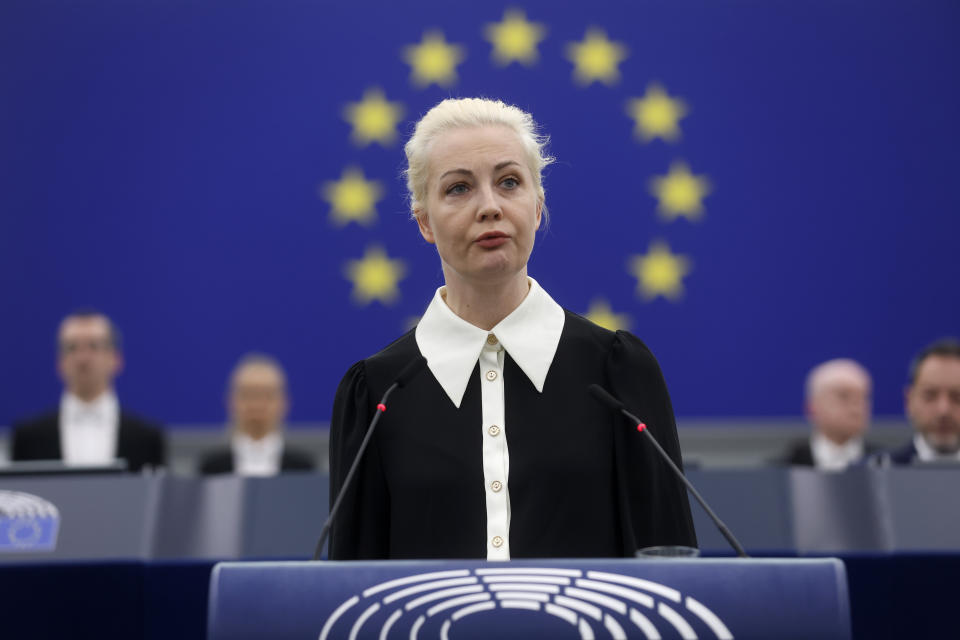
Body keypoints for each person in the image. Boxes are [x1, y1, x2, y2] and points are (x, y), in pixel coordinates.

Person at [328, 98, 696, 560]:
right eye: (459, 188)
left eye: (509, 183)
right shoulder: (378, 392)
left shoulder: (616, 371)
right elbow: (352, 600)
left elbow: (668, 574)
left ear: (537, 207)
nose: (489, 207)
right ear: (424, 221)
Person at [11, 310, 165, 471]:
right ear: (60, 362)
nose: (82, 358)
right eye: (72, 348)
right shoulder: (29, 437)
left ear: (115, 359)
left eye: (94, 346)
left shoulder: (146, 437)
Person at [198, 354, 314, 475]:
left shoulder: (304, 469)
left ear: (284, 403)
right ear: (231, 401)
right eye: (248, 395)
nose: (257, 405)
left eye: (267, 395)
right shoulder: (210, 469)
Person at [778, 359, 878, 470]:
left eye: (863, 397)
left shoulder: (884, 466)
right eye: (843, 396)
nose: (856, 408)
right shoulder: (783, 470)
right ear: (812, 407)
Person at [880, 338, 960, 465]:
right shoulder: (877, 473)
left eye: (957, 397)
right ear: (909, 401)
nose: (943, 410)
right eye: (930, 395)